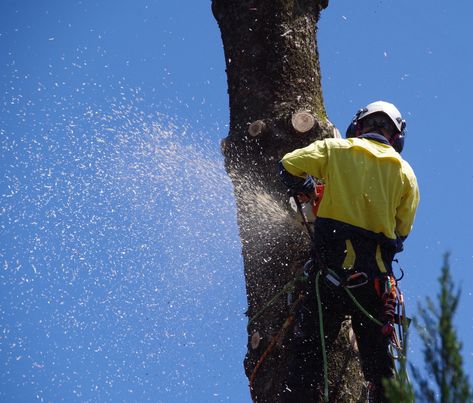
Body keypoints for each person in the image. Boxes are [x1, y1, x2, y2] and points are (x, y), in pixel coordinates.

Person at [278, 101, 420, 402]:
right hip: (374, 285)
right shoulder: (406, 174)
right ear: (397, 138)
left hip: (329, 278)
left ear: (358, 125)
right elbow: (400, 233)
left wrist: (306, 186)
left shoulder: (335, 150)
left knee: (307, 361)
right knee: (380, 370)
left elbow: (288, 164)